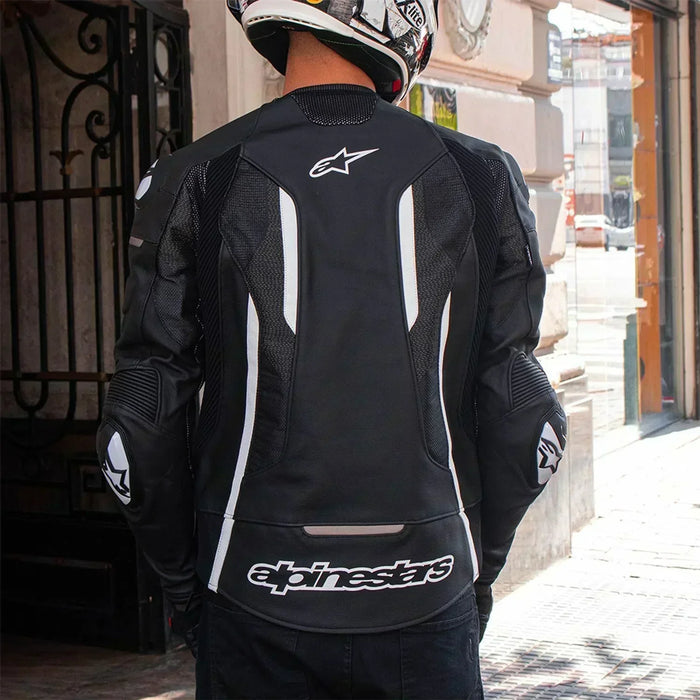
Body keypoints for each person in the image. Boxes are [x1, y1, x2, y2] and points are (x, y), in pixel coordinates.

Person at [96, 0, 567, 697]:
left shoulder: (195, 175)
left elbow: (137, 430)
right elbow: (527, 420)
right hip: (429, 587)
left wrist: (190, 596)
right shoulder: (482, 175)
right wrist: (474, 575)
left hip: (250, 592)